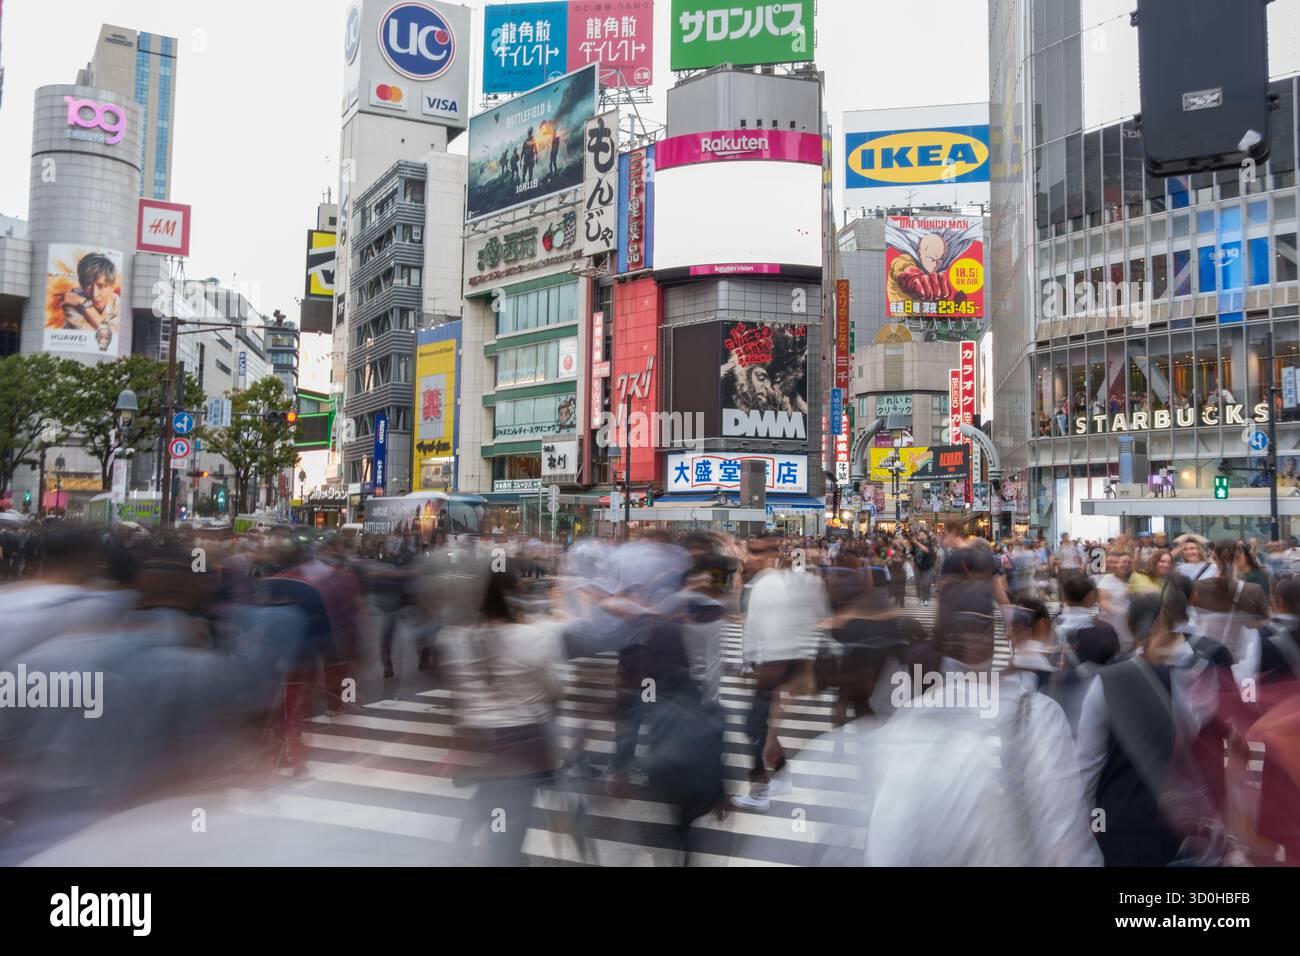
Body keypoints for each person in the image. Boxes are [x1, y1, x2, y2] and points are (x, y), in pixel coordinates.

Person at [438, 561, 564, 866]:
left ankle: (462, 848)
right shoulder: (530, 638)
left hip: (481, 740)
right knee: (509, 832)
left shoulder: (455, 639)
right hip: (521, 742)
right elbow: (555, 690)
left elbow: (459, 694)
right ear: (514, 594)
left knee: (488, 803)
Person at [736, 536, 831, 812]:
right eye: (750, 551)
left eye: (757, 552)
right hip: (785, 662)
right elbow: (817, 619)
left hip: (775, 663)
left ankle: (759, 788)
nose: (751, 557)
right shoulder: (792, 583)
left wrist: (750, 661)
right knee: (762, 725)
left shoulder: (769, 583)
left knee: (754, 725)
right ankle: (779, 772)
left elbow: (754, 627)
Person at [911, 529, 936, 605]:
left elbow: (927, 550)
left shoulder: (929, 543)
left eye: (922, 534)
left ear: (926, 535)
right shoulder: (916, 544)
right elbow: (913, 554)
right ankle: (919, 598)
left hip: (928, 567)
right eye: (919, 534)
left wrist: (917, 543)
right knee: (918, 584)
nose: (920, 536)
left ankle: (926, 599)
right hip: (918, 567)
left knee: (926, 583)